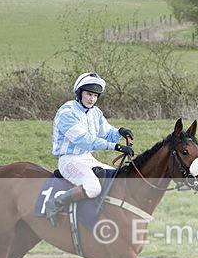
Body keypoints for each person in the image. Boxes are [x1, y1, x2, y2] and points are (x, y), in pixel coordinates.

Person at [45, 72, 135, 226]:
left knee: (117, 178)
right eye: (88, 94)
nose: (91, 99)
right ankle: (55, 203)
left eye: (95, 96)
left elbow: (107, 132)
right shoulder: (67, 112)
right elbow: (84, 141)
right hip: (69, 160)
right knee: (93, 188)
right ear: (80, 93)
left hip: (87, 159)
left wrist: (120, 132)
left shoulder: (95, 112)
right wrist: (117, 147)